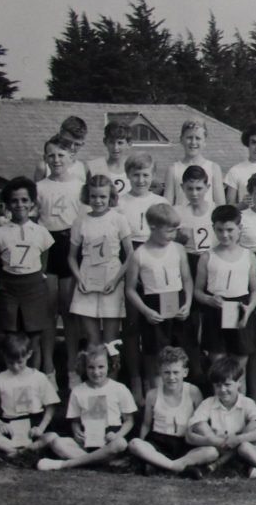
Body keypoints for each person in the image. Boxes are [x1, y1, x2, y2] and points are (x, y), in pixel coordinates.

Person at [0, 177, 56, 383]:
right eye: (15, 201)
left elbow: (44, 263)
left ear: (32, 203)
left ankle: (33, 383)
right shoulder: (0, 233)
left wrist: (35, 278)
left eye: (25, 200)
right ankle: (12, 381)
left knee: (34, 337)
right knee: (11, 337)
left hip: (34, 288)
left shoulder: (41, 232)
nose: (20, 205)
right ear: (8, 204)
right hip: (10, 288)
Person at [193, 205, 256, 398]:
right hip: (215, 310)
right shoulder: (207, 256)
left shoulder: (249, 256)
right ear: (213, 229)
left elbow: (255, 291)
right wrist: (208, 299)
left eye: (230, 230)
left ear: (240, 228)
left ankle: (241, 413)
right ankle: (219, 413)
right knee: (219, 367)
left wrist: (248, 309)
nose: (225, 235)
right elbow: (197, 291)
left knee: (239, 368)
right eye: (220, 230)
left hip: (239, 309)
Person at [37, 342, 136, 471]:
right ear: (84, 367)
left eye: (101, 367)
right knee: (57, 442)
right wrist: (76, 430)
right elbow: (75, 421)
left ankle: (66, 464)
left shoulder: (119, 389)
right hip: (87, 441)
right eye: (91, 367)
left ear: (109, 365)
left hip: (110, 439)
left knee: (121, 444)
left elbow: (129, 421)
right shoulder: (78, 391)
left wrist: (117, 435)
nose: (96, 372)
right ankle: (102, 463)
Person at [125, 203, 193, 391]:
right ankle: (153, 392)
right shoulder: (139, 254)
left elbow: (187, 279)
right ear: (153, 227)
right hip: (153, 306)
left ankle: (180, 393)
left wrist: (187, 303)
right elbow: (130, 289)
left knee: (180, 350)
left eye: (174, 231)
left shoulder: (178, 249)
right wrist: (146, 311)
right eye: (169, 231)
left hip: (177, 303)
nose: (173, 235)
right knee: (153, 353)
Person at [36, 135, 86, 389]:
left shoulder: (79, 186)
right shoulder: (40, 186)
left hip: (70, 246)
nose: (56, 160)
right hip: (47, 246)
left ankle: (72, 369)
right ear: (45, 158)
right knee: (48, 311)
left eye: (61, 155)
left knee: (69, 312)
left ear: (72, 158)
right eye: (51, 155)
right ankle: (47, 369)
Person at [116, 153, 166, 402]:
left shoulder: (159, 202)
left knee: (153, 327)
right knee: (132, 325)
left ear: (153, 176)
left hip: (155, 261)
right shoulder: (120, 203)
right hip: (129, 260)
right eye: (136, 174)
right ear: (128, 176)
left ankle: (151, 379)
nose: (141, 179)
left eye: (146, 174)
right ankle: (134, 378)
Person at [68, 174, 133, 348]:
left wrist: (116, 280)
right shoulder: (80, 221)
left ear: (110, 197)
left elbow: (130, 255)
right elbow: (71, 257)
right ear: (87, 197)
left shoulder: (118, 219)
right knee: (92, 340)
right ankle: (94, 374)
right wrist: (79, 279)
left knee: (111, 342)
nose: (98, 201)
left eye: (103, 196)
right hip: (87, 280)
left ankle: (112, 374)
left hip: (111, 279)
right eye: (93, 196)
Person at [128, 346, 210, 478]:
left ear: (185, 372)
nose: (171, 377)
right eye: (166, 372)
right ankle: (176, 467)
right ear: (160, 372)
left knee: (211, 451)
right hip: (159, 441)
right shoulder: (152, 395)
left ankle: (165, 465)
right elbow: (146, 425)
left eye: (176, 372)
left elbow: (200, 422)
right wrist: (142, 446)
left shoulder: (193, 392)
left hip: (185, 442)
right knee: (134, 444)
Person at [185, 355, 256, 471]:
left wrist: (238, 439)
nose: (222, 390)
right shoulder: (208, 403)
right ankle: (240, 466)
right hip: (217, 448)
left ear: (239, 383)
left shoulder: (247, 403)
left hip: (240, 448)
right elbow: (189, 436)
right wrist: (212, 439)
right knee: (201, 426)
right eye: (218, 385)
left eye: (227, 385)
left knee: (254, 426)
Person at [0, 333, 59, 456]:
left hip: (34, 426)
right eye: (10, 362)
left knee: (52, 437)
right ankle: (21, 452)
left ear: (29, 354)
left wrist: (41, 427)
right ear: (3, 356)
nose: (15, 367)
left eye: (20, 362)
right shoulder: (0, 379)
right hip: (10, 427)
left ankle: (8, 453)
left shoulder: (39, 377)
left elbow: (51, 406)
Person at [163, 120, 224, 206]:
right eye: (189, 138)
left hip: (207, 218)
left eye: (198, 138)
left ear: (204, 141)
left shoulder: (213, 168)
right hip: (181, 218)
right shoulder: (173, 169)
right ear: (181, 140)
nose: (193, 142)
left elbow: (220, 205)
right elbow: (167, 205)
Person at [32, 116, 89, 183]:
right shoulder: (44, 167)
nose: (71, 147)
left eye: (77, 144)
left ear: (83, 143)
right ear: (60, 136)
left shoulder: (83, 169)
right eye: (67, 142)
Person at [86, 120, 132, 197]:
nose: (115, 147)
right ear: (105, 142)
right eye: (111, 142)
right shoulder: (96, 168)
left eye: (120, 143)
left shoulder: (133, 168)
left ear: (129, 144)